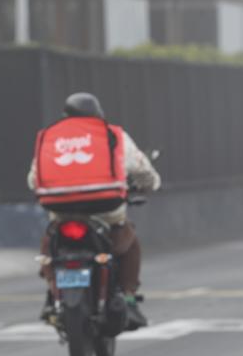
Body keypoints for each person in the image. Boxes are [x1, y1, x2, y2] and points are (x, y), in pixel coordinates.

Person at [28, 92, 161, 329]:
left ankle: (52, 292)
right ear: (98, 114)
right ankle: (129, 299)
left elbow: (33, 179)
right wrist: (151, 184)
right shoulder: (112, 134)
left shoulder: (51, 137)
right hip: (105, 209)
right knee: (129, 242)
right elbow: (140, 167)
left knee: (49, 244)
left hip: (61, 210)